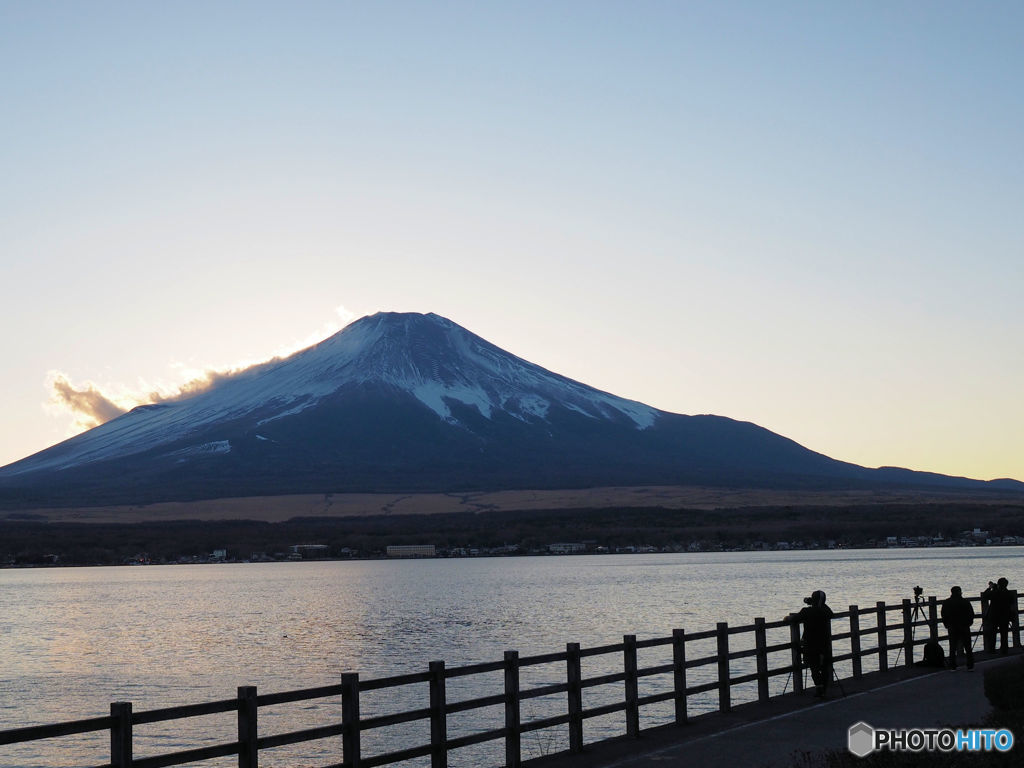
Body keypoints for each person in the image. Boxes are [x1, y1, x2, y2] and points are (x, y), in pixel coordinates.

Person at [786, 589, 834, 697]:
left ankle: (819, 689)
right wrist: (820, 604)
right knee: (825, 667)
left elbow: (793, 618)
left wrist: (787, 618)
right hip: (824, 644)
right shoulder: (825, 611)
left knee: (814, 667)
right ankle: (824, 690)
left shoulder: (806, 611)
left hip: (810, 644)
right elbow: (831, 614)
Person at [941, 586, 975, 670]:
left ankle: (953, 666)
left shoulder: (947, 602)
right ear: (960, 592)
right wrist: (969, 623)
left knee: (952, 647)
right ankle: (970, 665)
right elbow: (971, 614)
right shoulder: (965, 602)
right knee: (968, 646)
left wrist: (946, 624)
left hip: (952, 626)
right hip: (964, 626)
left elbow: (943, 614)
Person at [986, 578, 1013, 655]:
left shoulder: (995, 592)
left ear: (998, 584)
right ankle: (1004, 650)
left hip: (994, 616)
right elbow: (1011, 601)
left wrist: (990, 588)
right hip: (1005, 616)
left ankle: (992, 650)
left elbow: (986, 596)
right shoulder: (1009, 593)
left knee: (992, 634)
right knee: (1004, 634)